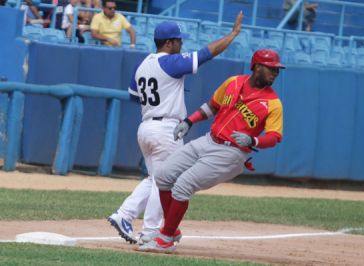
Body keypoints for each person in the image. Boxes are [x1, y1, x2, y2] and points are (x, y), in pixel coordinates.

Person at [108, 12, 244, 245]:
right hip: (165, 129)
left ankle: (124, 214)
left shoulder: (142, 65)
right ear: (169, 43)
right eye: (179, 40)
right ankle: (150, 231)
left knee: (154, 178)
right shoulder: (169, 62)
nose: (182, 44)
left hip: (147, 126)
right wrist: (232, 34)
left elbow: (134, 97)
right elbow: (205, 54)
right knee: (164, 181)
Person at [138, 49, 284, 252]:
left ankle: (166, 238)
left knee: (183, 185)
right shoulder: (233, 82)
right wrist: (189, 121)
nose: (275, 74)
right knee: (163, 176)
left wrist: (254, 140)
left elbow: (275, 137)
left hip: (231, 153)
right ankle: (171, 229)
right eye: (272, 69)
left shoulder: (273, 103)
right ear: (257, 66)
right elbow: (212, 106)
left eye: (277, 70)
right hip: (208, 140)